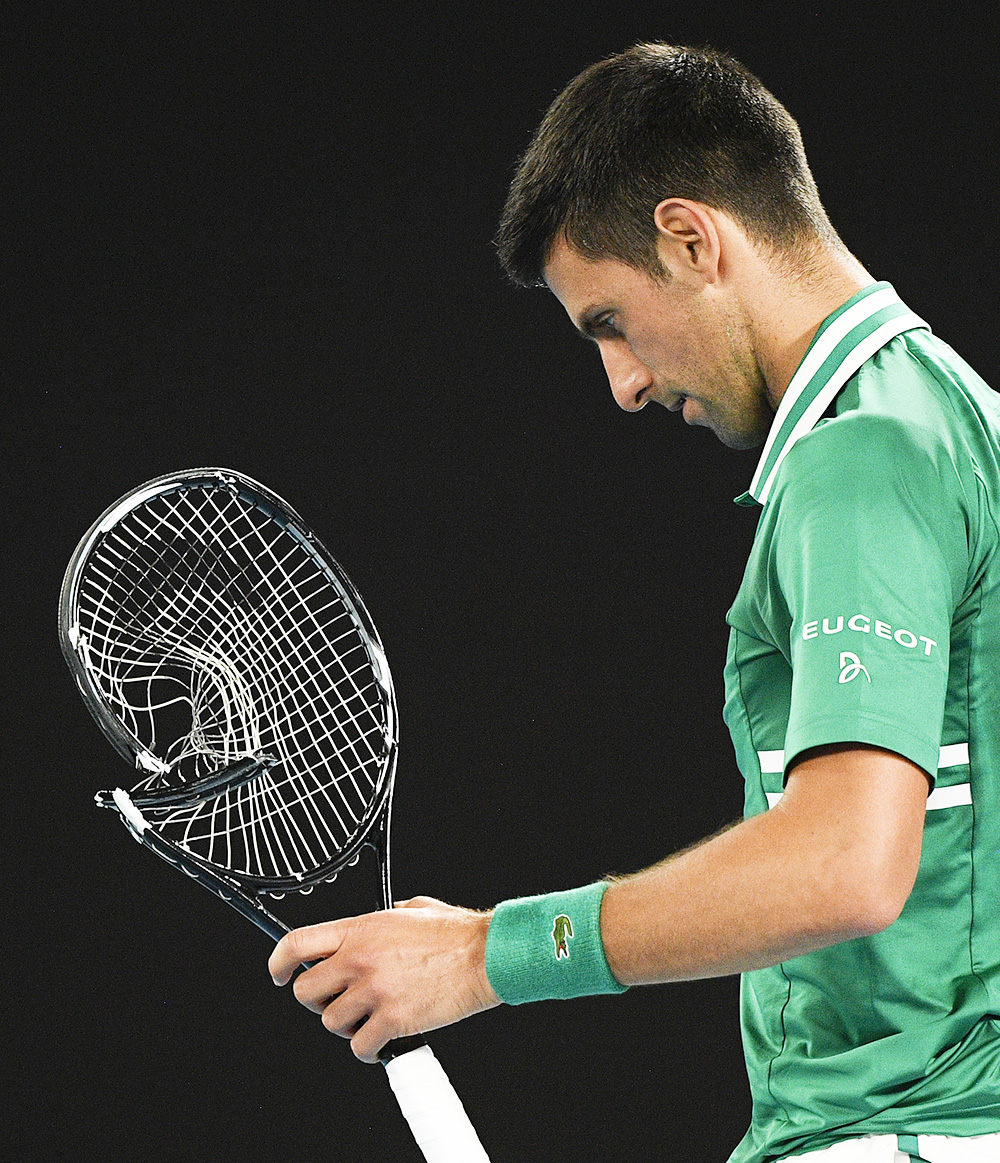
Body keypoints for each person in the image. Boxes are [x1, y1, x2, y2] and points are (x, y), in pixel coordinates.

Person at [268, 43, 1000, 1162]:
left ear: (693, 238)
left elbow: (843, 863)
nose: (624, 385)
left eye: (608, 320)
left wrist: (482, 954)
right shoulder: (956, 421)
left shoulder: (862, 457)